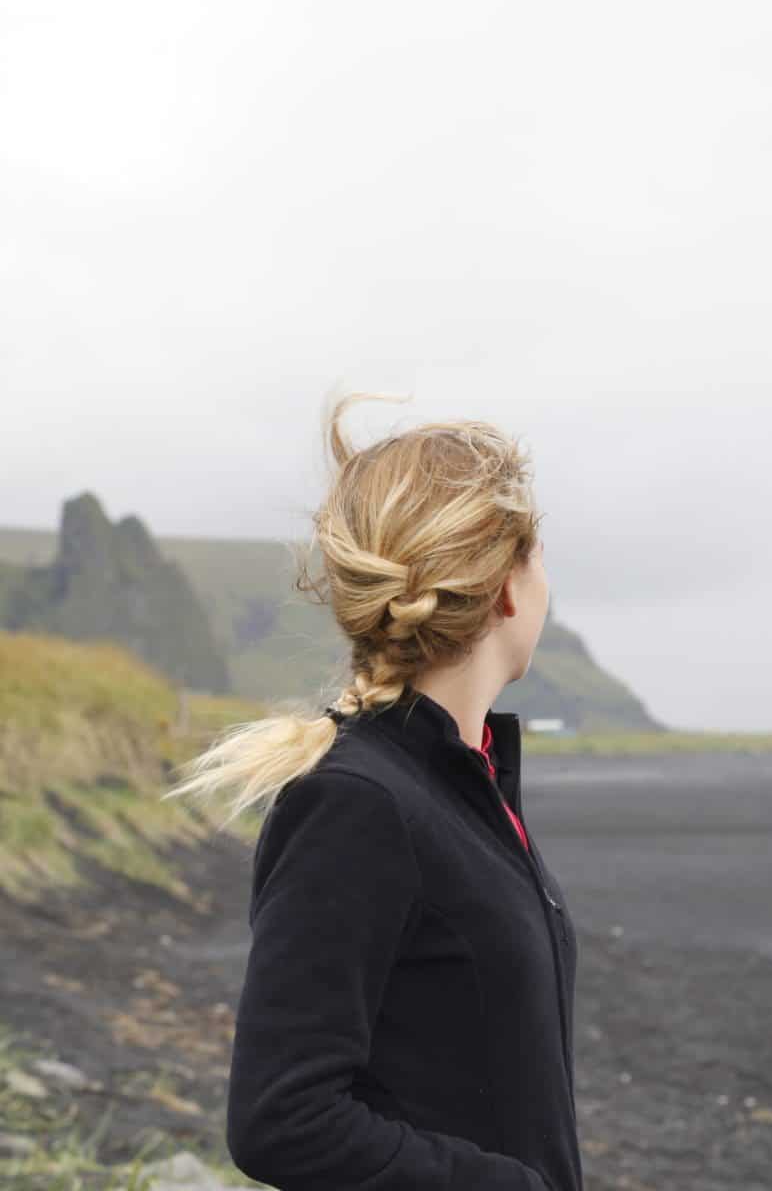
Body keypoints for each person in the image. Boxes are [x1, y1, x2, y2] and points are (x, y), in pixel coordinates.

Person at [164, 390, 580, 1190]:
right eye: (538, 557)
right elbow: (282, 1120)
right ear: (506, 586)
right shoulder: (358, 804)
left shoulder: (465, 784)